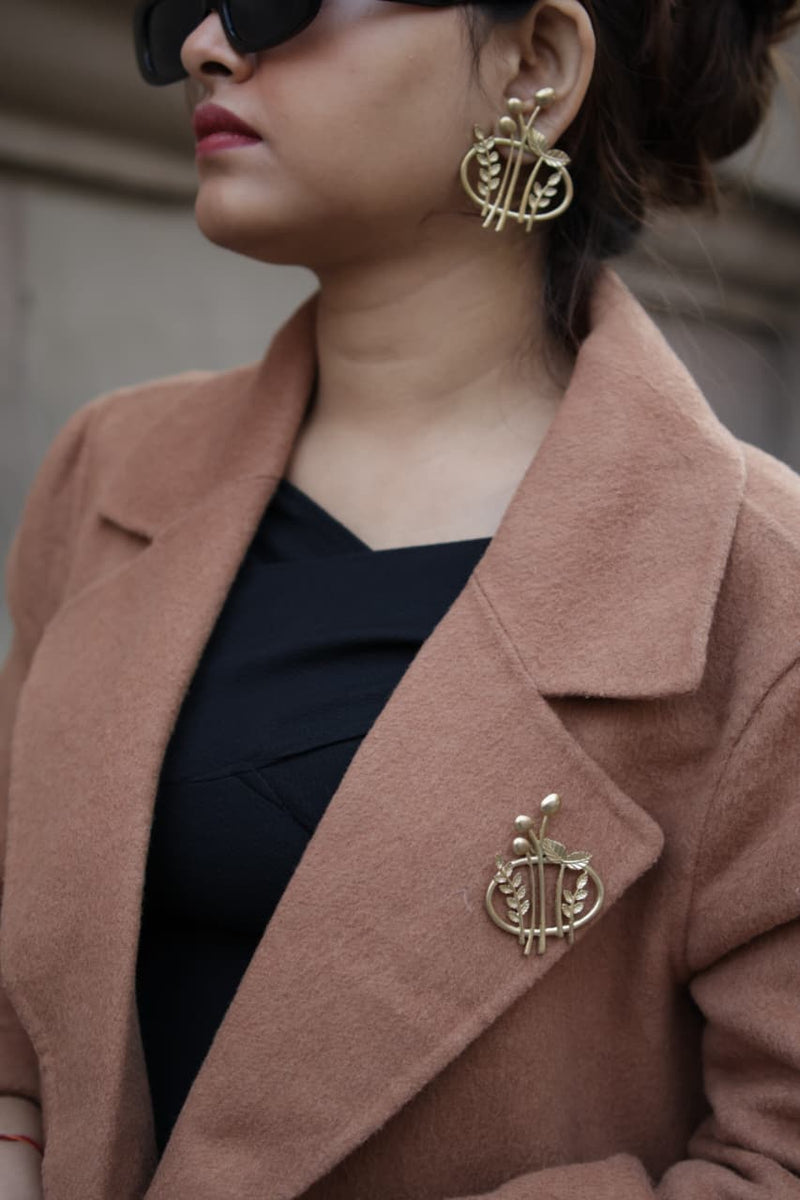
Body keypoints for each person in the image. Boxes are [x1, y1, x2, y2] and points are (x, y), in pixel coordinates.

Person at [1, 0, 799, 1196]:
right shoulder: (108, 473)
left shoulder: (751, 590)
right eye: (181, 1)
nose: (206, 44)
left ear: (533, 63)